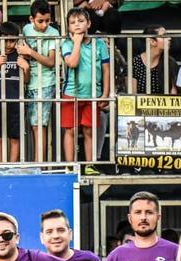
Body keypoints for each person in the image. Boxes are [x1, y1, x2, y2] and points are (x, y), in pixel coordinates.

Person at [101, 191, 178, 261]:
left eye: (149, 212)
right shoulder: (117, 255)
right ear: (130, 218)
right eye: (138, 212)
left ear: (158, 217)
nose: (143, 217)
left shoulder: (175, 251)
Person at [58, 7, 110, 163]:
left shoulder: (99, 44)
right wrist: (77, 43)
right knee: (70, 130)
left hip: (93, 94)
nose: (77, 25)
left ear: (89, 23)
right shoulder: (66, 43)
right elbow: (72, 63)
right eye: (72, 22)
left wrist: (105, 94)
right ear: (68, 27)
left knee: (89, 130)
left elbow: (106, 71)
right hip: (71, 94)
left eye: (81, 21)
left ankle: (90, 164)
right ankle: (70, 166)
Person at [20, 0, 59, 162]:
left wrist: (30, 52)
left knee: (38, 127)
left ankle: (39, 165)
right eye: (40, 21)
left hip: (45, 82)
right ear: (31, 19)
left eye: (47, 21)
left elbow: (51, 62)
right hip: (28, 81)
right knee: (32, 126)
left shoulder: (53, 33)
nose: (44, 25)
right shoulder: (26, 30)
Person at [0, 21, 29, 163]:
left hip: (17, 101)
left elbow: (25, 80)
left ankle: (12, 167)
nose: (9, 44)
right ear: (0, 38)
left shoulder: (20, 55)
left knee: (15, 137)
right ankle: (0, 166)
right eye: (6, 40)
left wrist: (26, 68)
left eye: (12, 41)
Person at [128, 25, 176, 95]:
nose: (169, 38)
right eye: (164, 36)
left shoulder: (170, 62)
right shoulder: (134, 63)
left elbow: (173, 93)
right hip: (140, 105)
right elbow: (132, 96)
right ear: (152, 41)